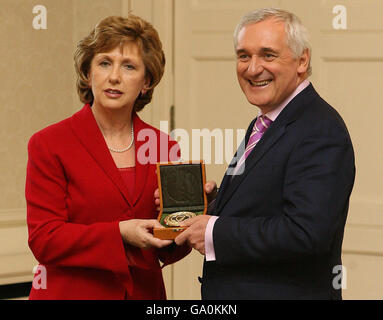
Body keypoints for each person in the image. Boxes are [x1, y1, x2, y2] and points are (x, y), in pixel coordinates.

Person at [172, 8, 355, 299]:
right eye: (244, 56)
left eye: (268, 55)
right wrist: (212, 204)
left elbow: (306, 233)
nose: (253, 68)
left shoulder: (320, 129)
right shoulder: (264, 121)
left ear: (302, 60)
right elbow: (265, 205)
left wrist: (213, 232)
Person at [26, 15, 190, 300]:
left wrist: (189, 214)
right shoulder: (49, 144)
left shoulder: (165, 147)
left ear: (146, 82)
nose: (114, 76)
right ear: (88, 74)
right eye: (104, 63)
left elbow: (171, 243)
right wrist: (119, 233)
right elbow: (44, 240)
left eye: (129, 66)